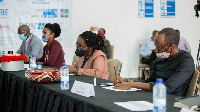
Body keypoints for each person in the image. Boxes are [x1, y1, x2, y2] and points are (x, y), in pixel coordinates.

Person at [114, 28, 195, 97]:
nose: (155, 51)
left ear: (171, 48)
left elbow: (168, 87)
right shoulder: (160, 59)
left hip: (171, 100)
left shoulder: (186, 60)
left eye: (158, 48)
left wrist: (132, 84)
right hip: (154, 95)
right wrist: (127, 81)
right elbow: (149, 82)